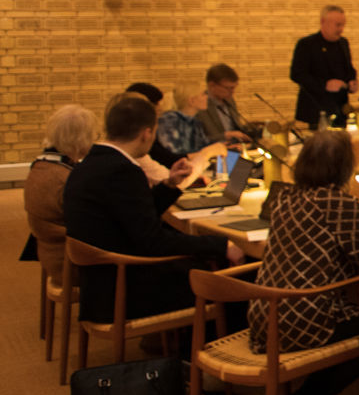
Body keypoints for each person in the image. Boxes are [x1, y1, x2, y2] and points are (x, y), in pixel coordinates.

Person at [251, 130, 359, 395]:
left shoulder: (285, 197)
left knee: (358, 319)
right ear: (344, 168)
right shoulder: (335, 202)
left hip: (265, 316)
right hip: (302, 318)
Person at [61, 94, 246, 329]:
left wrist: (169, 185)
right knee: (233, 275)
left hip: (101, 284)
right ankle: (208, 347)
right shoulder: (123, 171)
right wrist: (221, 245)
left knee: (208, 257)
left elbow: (135, 215)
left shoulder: (92, 163)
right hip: (125, 290)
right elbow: (153, 241)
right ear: (147, 133)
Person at [24, 105, 98, 299]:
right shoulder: (66, 178)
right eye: (93, 135)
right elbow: (91, 223)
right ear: (81, 138)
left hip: (50, 257)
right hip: (72, 265)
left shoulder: (41, 165)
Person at [290, 5, 356, 127]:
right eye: (337, 25)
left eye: (343, 25)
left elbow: (349, 69)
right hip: (316, 107)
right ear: (323, 22)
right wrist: (325, 84)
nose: (341, 29)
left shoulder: (343, 43)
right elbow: (297, 74)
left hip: (340, 106)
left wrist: (352, 80)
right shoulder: (307, 44)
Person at [198, 63, 262, 144]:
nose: (232, 92)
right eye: (228, 88)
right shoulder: (198, 106)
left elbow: (235, 128)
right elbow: (197, 141)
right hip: (216, 150)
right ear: (212, 85)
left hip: (236, 147)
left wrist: (252, 129)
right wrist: (225, 136)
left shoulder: (229, 100)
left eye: (234, 87)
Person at [158, 85, 211, 159]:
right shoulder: (169, 120)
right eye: (203, 94)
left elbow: (204, 146)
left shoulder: (195, 122)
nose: (207, 97)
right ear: (191, 100)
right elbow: (173, 154)